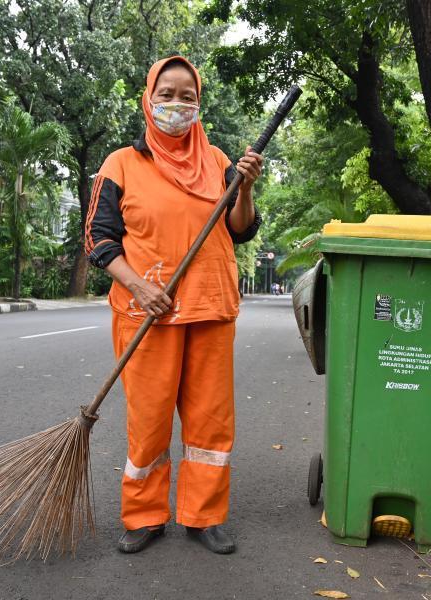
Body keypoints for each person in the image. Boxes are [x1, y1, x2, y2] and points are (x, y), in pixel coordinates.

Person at [83, 55, 263, 555]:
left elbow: (242, 227)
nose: (177, 105)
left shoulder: (219, 162)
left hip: (210, 307)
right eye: (167, 95)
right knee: (149, 419)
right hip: (148, 312)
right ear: (148, 98)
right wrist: (138, 286)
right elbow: (98, 241)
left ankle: (204, 516)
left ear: (198, 104)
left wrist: (244, 186)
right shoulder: (122, 164)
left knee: (210, 422)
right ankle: (145, 516)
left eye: (188, 97)